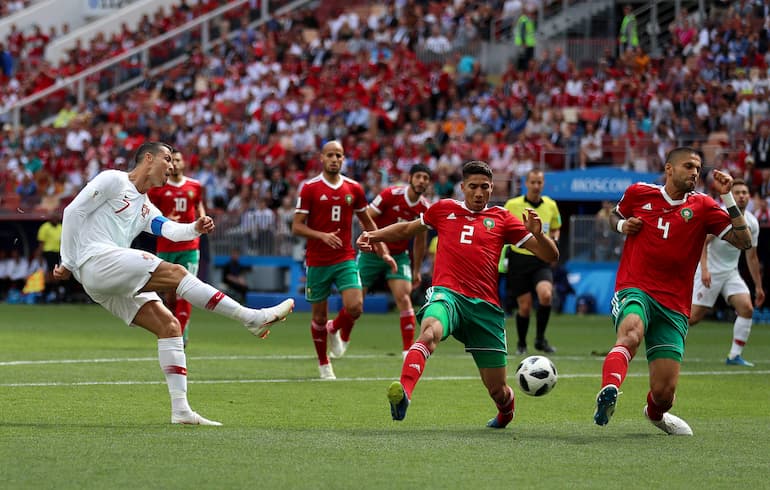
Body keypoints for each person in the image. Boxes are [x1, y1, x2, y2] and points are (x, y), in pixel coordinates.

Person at [53, 141, 294, 426]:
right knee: (177, 273)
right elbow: (72, 212)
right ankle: (249, 317)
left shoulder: (145, 206)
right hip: (94, 261)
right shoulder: (113, 180)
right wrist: (67, 261)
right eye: (167, 159)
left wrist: (194, 228)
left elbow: (169, 229)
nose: (171, 166)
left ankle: (181, 411)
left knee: (169, 326)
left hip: (106, 278)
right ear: (148, 158)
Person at [357, 160, 559, 428]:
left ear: (491, 189)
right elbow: (407, 228)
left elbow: (550, 256)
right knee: (430, 331)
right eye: (473, 187)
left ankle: (505, 411)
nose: (479, 193)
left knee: (497, 390)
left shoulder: (502, 219)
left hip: (485, 308)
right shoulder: (443, 210)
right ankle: (404, 393)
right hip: (448, 295)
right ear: (462, 187)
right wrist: (373, 235)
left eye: (485, 187)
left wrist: (540, 236)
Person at [594, 147, 752, 436]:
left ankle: (655, 414)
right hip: (636, 286)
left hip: (675, 304)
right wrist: (621, 224)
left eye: (698, 168)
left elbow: (744, 241)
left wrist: (728, 197)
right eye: (689, 166)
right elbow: (613, 214)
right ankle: (610, 390)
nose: (695, 172)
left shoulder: (704, 206)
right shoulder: (639, 193)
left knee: (664, 393)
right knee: (631, 332)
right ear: (669, 169)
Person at [292, 140, 395, 380]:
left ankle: (334, 328)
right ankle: (323, 363)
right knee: (317, 315)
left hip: (345, 257)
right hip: (317, 260)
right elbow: (297, 226)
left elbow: (368, 222)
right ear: (322, 158)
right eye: (330, 155)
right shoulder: (310, 188)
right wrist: (321, 236)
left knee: (356, 306)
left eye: (339, 155)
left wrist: (383, 250)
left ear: (343, 158)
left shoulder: (354, 188)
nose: (335, 159)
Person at [359, 163, 432, 358]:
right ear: (410, 178)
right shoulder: (390, 195)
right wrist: (373, 240)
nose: (421, 181)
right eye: (418, 176)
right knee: (355, 304)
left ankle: (408, 350)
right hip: (373, 252)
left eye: (425, 178)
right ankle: (337, 329)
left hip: (399, 256)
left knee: (404, 297)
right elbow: (365, 217)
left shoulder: (425, 207)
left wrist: (416, 270)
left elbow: (420, 242)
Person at [689, 179, 764, 366]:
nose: (741, 196)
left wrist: (759, 286)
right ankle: (658, 332)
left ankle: (734, 356)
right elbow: (702, 243)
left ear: (749, 197)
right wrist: (704, 269)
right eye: (737, 192)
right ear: (731, 195)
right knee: (693, 318)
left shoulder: (752, 223)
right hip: (710, 271)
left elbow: (752, 257)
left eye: (744, 193)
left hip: (730, 272)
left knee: (746, 308)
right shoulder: (722, 215)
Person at [148, 151, 205, 348]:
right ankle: (175, 325)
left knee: (186, 290)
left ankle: (181, 334)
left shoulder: (195, 186)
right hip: (165, 245)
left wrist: (202, 220)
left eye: (178, 160)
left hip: (189, 246)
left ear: (184, 163)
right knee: (170, 294)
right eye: (171, 160)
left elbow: (199, 206)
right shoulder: (157, 190)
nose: (174, 164)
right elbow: (149, 213)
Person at [501, 168, 561, 354]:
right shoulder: (512, 204)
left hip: (540, 258)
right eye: (532, 182)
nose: (536, 185)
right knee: (525, 307)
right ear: (526, 183)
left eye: (539, 182)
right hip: (518, 259)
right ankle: (521, 343)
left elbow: (556, 227)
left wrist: (554, 241)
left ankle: (540, 339)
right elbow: (502, 227)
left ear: (543, 184)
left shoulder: (551, 205)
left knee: (546, 295)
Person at [37, 213, 65, 302]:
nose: (55, 220)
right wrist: (40, 256)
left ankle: (54, 294)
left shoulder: (61, 227)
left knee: (57, 274)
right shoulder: (45, 227)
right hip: (48, 252)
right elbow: (41, 243)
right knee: (49, 274)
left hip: (58, 253)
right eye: (54, 218)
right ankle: (45, 294)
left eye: (57, 218)